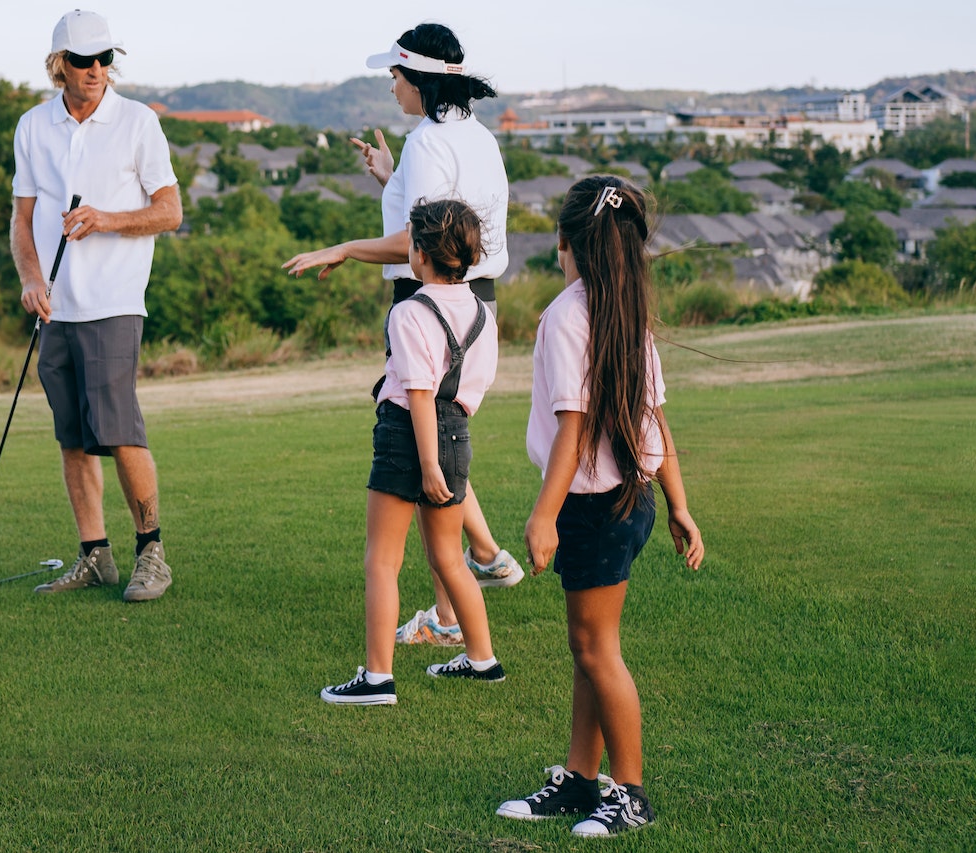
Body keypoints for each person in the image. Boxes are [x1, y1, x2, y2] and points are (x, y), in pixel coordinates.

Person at [282, 22, 523, 647]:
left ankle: (458, 605)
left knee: (427, 449)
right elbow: (447, 224)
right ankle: (480, 568)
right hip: (478, 305)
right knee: (446, 440)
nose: (390, 86)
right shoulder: (478, 139)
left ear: (417, 78)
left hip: (427, 304)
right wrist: (390, 177)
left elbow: (421, 242)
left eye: (394, 74)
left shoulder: (426, 144)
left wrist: (340, 247)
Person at [496, 177, 705, 837]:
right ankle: (581, 778)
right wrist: (678, 504)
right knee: (587, 646)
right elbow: (657, 420)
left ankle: (631, 791)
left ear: (565, 243)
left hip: (593, 506)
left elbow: (574, 425)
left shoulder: (567, 314)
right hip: (632, 501)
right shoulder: (625, 310)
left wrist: (540, 514)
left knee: (595, 647)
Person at [10, 10, 182, 602]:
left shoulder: (138, 122)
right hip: (57, 308)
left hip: (113, 302)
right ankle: (94, 555)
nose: (96, 71)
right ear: (59, 65)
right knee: (73, 437)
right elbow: (23, 217)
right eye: (83, 61)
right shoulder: (33, 126)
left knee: (119, 428)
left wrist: (105, 219)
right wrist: (31, 279)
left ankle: (151, 552)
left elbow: (170, 211)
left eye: (105, 59)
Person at [319, 199, 506, 705]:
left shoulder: (408, 311)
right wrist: (446, 447)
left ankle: (377, 678)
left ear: (419, 255)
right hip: (456, 432)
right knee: (449, 559)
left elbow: (419, 392)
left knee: (382, 560)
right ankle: (482, 659)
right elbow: (474, 385)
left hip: (408, 435)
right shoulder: (483, 315)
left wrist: (425, 463)